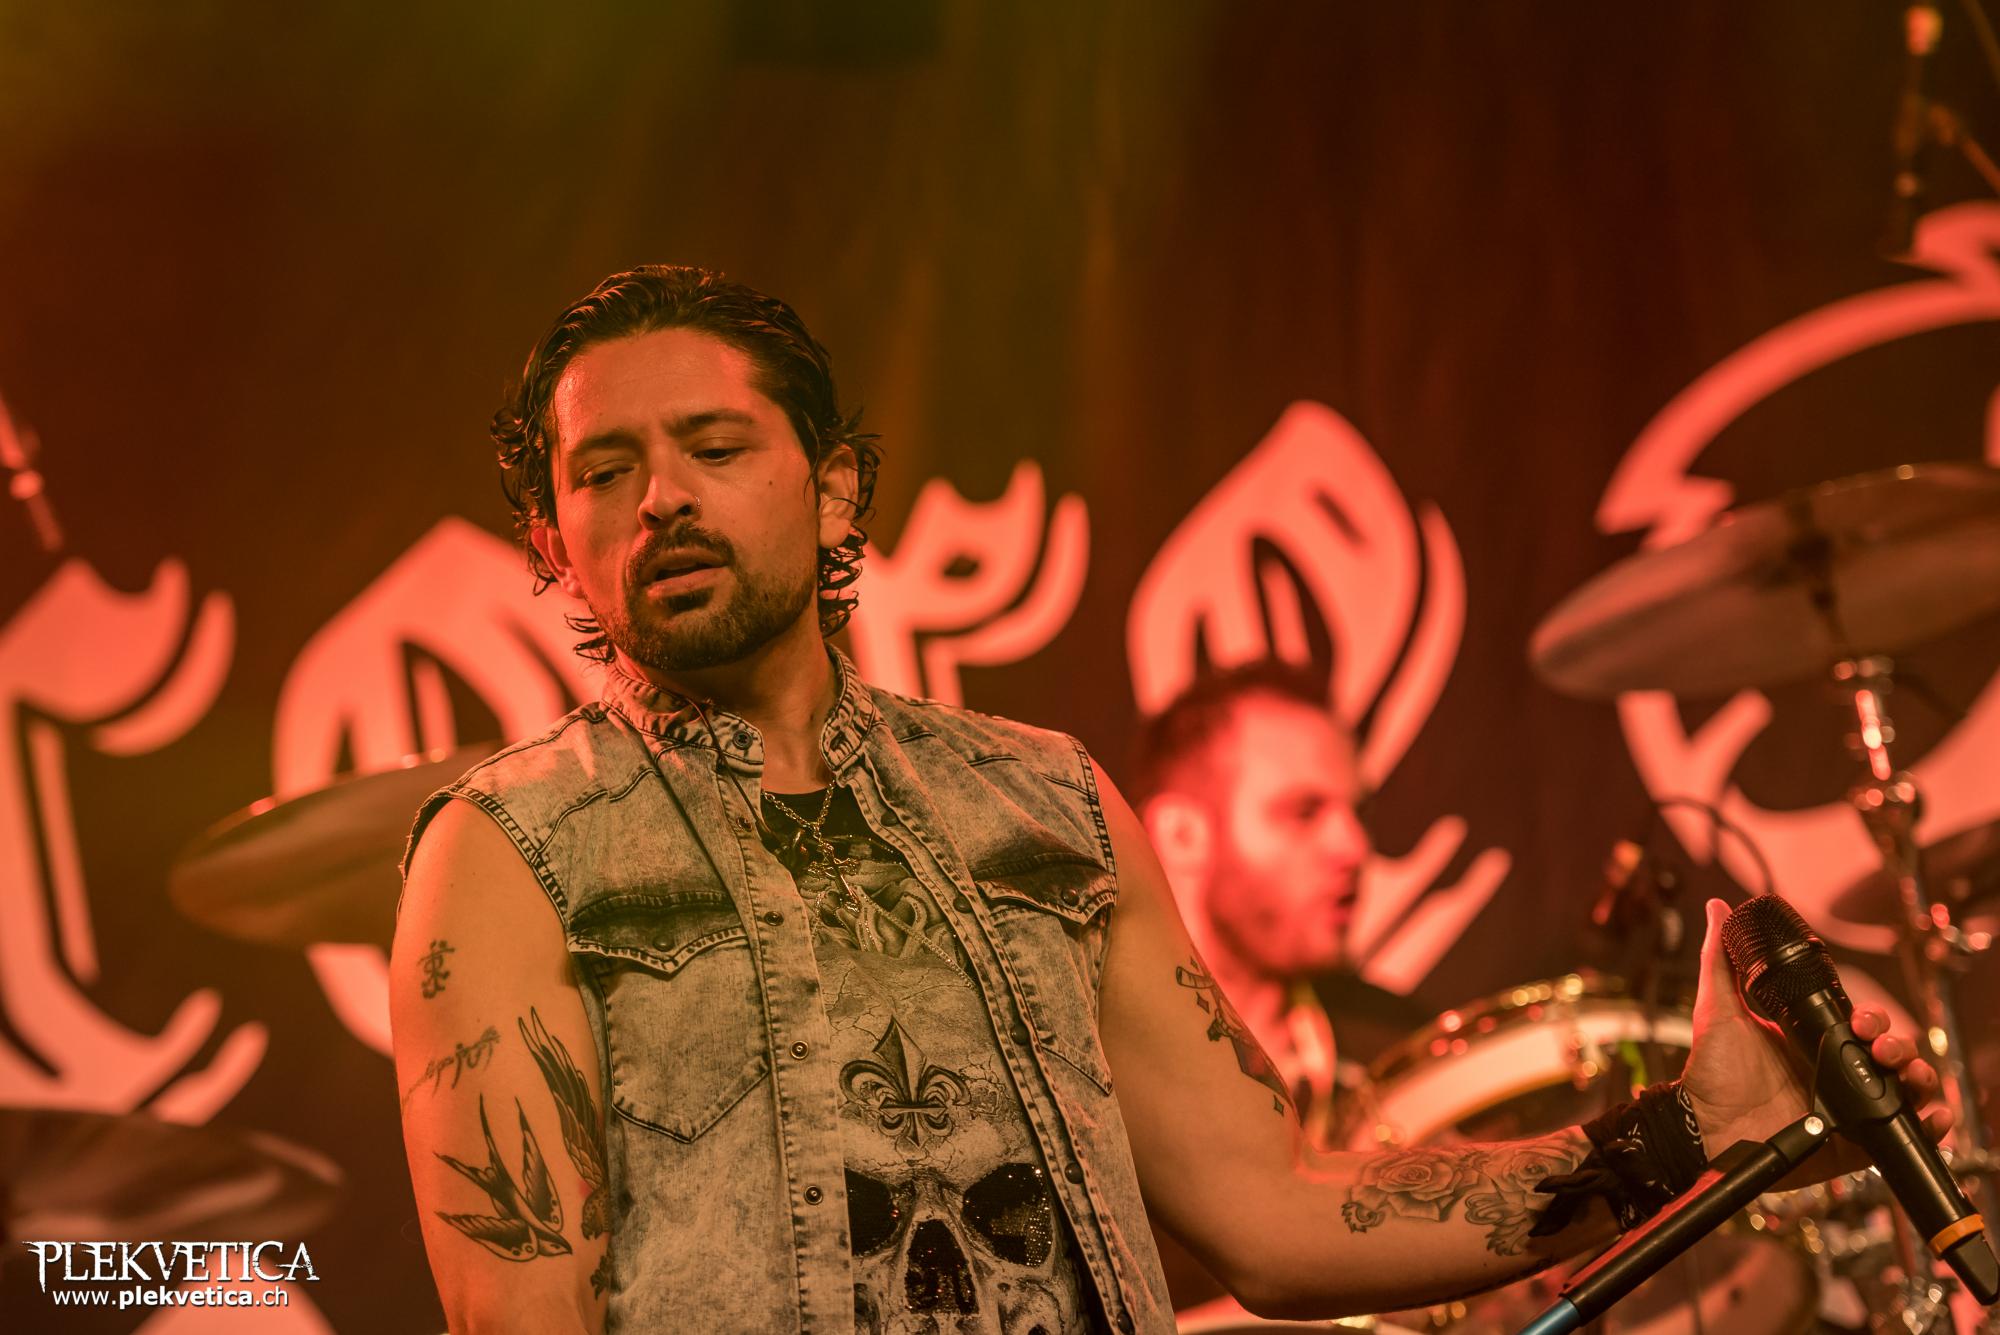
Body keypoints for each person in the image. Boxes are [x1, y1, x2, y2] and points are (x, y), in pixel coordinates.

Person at [389, 265, 1947, 1335]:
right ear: (552, 542)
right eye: (603, 471)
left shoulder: (1044, 804)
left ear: (837, 488)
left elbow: (1277, 1214)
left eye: (713, 446)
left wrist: (1695, 1129)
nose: (660, 496)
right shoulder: (507, 853)